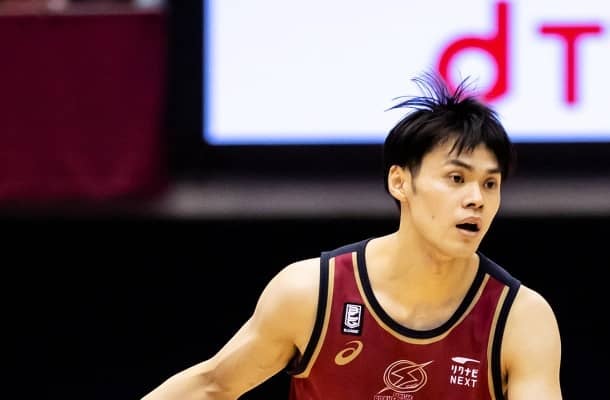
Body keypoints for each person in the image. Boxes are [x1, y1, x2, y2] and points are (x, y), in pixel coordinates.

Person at [141, 72, 562, 400]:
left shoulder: (520, 319)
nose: (476, 199)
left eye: (490, 184)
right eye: (456, 178)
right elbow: (213, 386)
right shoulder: (310, 293)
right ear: (400, 182)